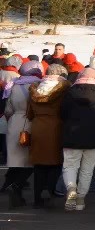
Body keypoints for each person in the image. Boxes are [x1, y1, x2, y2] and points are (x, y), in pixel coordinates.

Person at [60, 66, 95, 212]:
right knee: (87, 169)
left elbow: (63, 112)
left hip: (72, 135)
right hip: (94, 136)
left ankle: (71, 187)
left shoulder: (69, 92)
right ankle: (80, 199)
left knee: (70, 165)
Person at [28, 63, 71, 209]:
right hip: (56, 127)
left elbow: (29, 113)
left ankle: (37, 198)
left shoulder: (35, 88)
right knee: (55, 162)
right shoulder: (64, 89)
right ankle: (51, 193)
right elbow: (66, 110)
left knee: (39, 165)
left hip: (38, 127)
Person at [3, 60, 42, 208]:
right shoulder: (39, 85)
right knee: (32, 160)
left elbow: (7, 110)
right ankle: (17, 186)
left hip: (15, 122)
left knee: (16, 160)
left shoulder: (14, 86)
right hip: (32, 123)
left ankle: (16, 192)